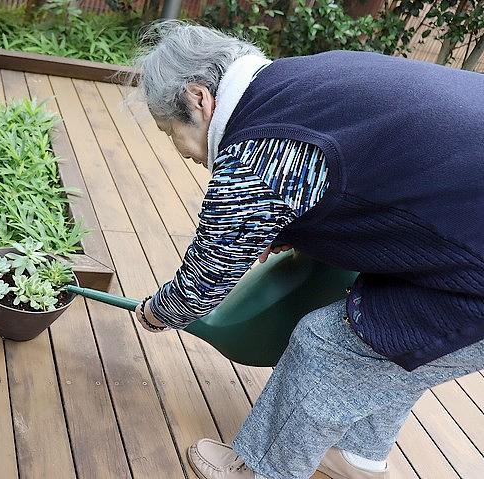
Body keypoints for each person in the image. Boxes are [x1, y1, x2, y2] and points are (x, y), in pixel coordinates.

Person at [128, 21, 484, 479]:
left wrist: (158, 313)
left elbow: (205, 282)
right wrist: (292, 229)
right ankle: (357, 456)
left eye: (169, 131)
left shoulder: (257, 150)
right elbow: (366, 172)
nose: (182, 151)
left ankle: (261, 469)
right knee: (397, 334)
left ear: (199, 99)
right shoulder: (302, 79)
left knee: (331, 346)